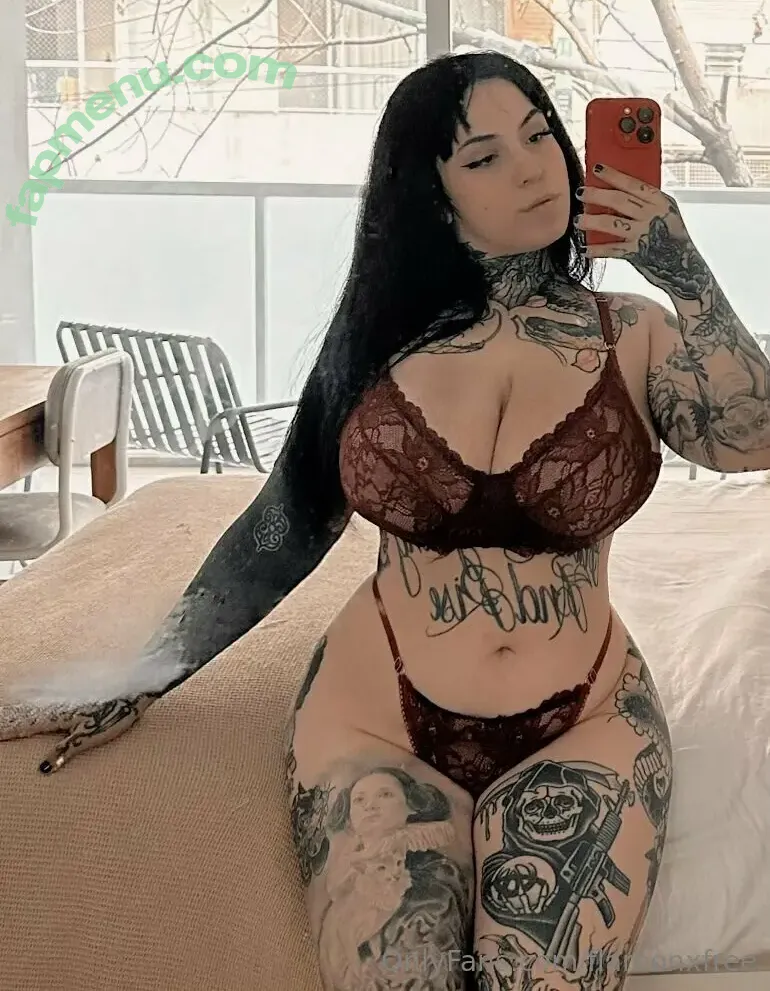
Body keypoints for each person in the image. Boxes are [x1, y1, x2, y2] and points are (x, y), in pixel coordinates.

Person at [6, 50, 770, 989]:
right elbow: (286, 522)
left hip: (585, 720)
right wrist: (143, 671)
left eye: (540, 136)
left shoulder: (635, 331)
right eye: (484, 157)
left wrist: (686, 273)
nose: (533, 168)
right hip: (376, 719)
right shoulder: (374, 344)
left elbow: (753, 439)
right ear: (432, 198)